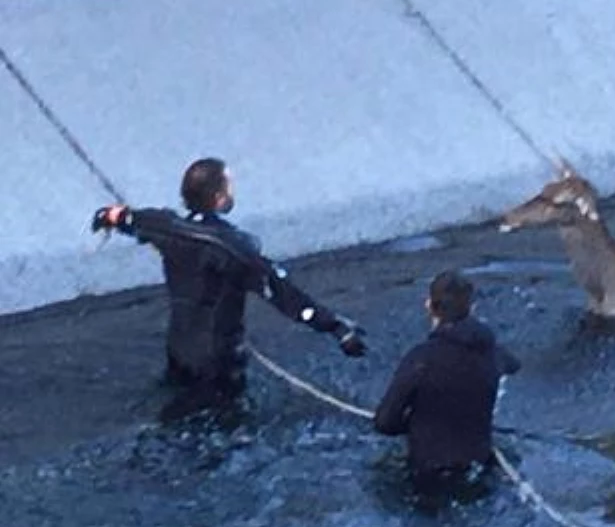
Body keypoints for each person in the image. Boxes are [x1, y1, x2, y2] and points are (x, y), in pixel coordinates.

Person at [90, 157, 367, 418]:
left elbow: (127, 219)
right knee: (223, 420)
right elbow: (285, 296)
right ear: (218, 199)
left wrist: (108, 217)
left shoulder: (164, 226)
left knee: (176, 411)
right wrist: (336, 328)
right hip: (218, 361)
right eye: (228, 188)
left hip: (179, 350)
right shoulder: (233, 249)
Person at [372, 270, 520, 501]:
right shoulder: (493, 353)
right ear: (472, 308)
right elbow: (513, 366)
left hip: (428, 473)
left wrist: (415, 422)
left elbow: (384, 423)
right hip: (479, 465)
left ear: (430, 306)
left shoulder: (421, 359)